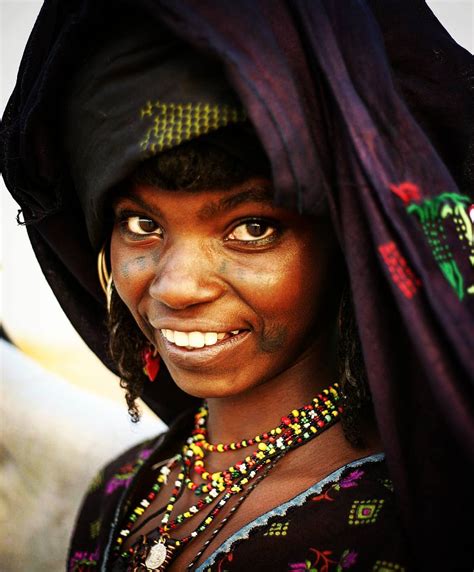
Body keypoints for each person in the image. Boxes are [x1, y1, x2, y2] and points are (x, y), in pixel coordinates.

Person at [1, 1, 472, 570]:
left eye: (252, 228)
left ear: (348, 245)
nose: (175, 287)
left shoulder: (414, 529)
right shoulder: (120, 488)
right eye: (141, 225)